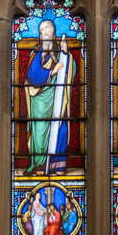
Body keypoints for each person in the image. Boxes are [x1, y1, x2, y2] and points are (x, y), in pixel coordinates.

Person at [24, 20, 76, 175]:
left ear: (54, 34)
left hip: (58, 99)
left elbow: (70, 71)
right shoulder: (37, 52)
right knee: (39, 132)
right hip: (39, 101)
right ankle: (39, 165)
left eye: (48, 31)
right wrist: (52, 72)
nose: (45, 34)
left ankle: (57, 166)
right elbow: (32, 76)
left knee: (61, 128)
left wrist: (66, 54)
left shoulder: (60, 52)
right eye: (42, 31)